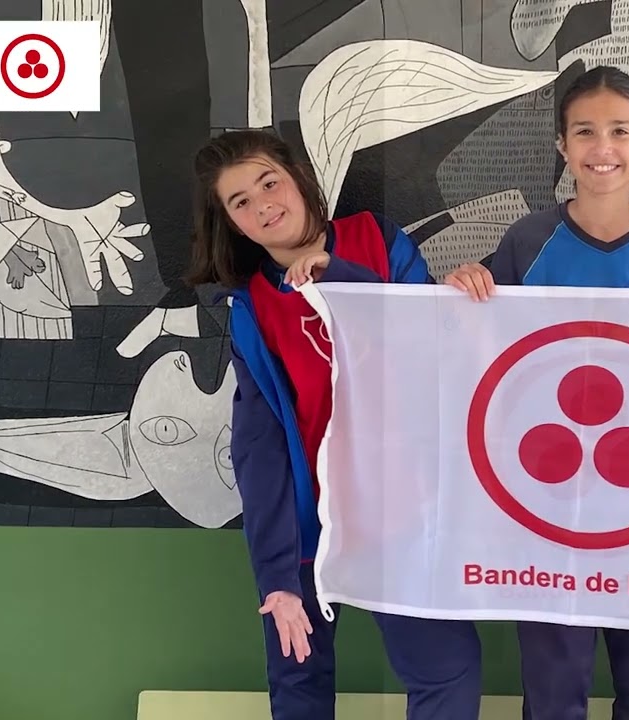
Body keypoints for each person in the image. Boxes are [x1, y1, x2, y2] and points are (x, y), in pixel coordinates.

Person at [445, 65, 629, 719]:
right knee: (552, 681)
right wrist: (461, 293)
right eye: (585, 132)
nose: (603, 148)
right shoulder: (529, 240)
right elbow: (480, 347)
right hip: (546, 495)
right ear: (562, 145)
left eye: (620, 131)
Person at [184, 128, 483, 720]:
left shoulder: (376, 239)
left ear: (299, 178)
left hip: (405, 519)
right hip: (311, 531)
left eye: (269, 182)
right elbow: (259, 448)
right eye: (240, 201)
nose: (263, 204)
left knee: (447, 674)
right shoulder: (252, 305)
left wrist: (343, 277)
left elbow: (430, 348)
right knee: (298, 683)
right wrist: (276, 576)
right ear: (231, 223)